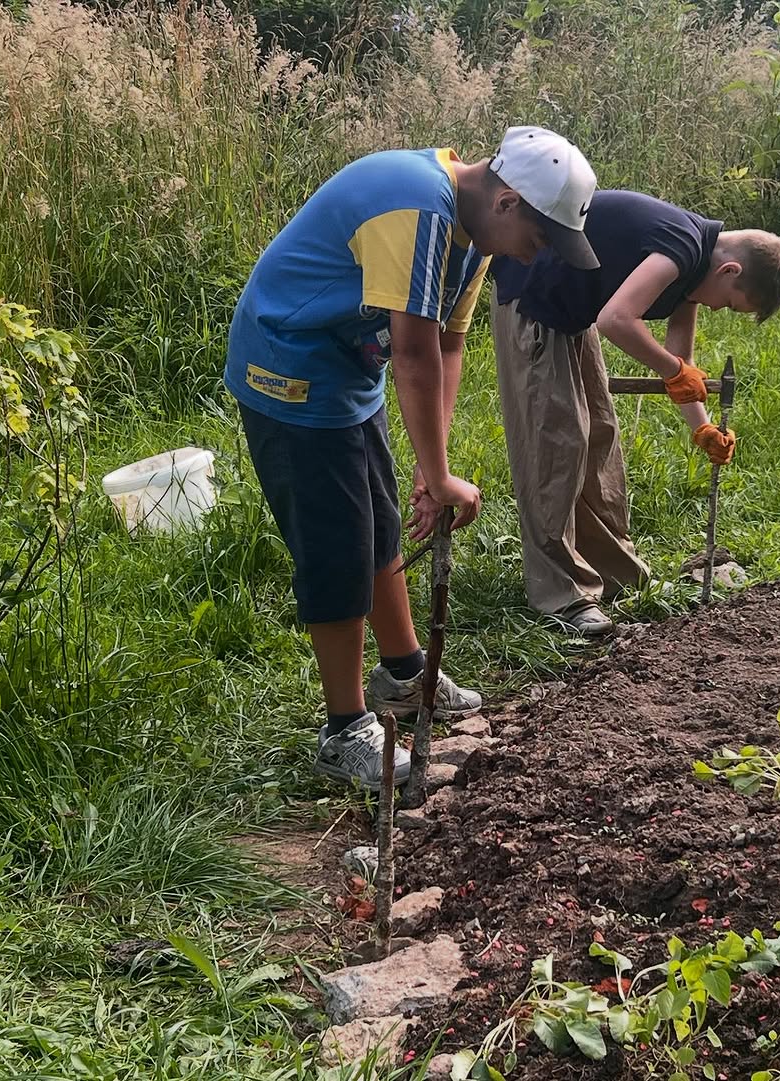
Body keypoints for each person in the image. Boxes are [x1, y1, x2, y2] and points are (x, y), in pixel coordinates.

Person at [224, 126, 599, 790]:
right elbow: (414, 353)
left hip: (346, 367)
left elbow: (448, 345)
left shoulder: (475, 234)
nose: (536, 255)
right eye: (539, 239)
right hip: (290, 366)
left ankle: (402, 671)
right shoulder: (419, 204)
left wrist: (435, 469)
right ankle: (343, 730)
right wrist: (444, 475)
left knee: (378, 516)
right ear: (509, 201)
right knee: (337, 544)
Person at [490, 189, 780, 637]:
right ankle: (562, 596)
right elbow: (617, 320)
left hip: (572, 315)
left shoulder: (695, 266)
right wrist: (674, 370)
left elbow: (681, 362)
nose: (718, 308)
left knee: (599, 435)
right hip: (534, 305)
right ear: (729, 270)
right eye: (730, 302)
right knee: (557, 444)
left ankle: (613, 572)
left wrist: (703, 429)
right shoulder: (681, 246)